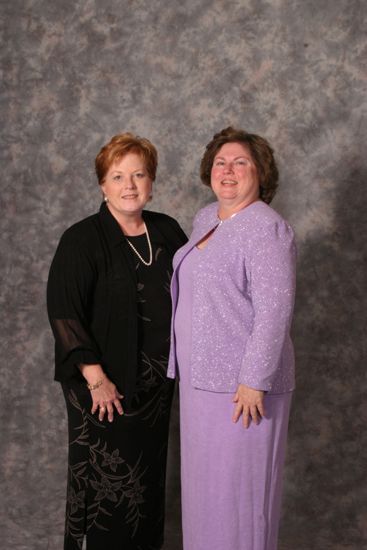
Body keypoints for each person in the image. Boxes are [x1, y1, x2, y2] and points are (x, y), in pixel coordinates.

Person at [47, 133, 187, 550]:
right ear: (102, 185)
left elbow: (200, 290)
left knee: (146, 486)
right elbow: (64, 311)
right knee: (107, 490)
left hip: (155, 390)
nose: (129, 185)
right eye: (118, 175)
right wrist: (95, 378)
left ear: (152, 181)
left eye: (139, 174)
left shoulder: (168, 230)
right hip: (103, 388)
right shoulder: (82, 239)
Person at [167, 127, 296, 550]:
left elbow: (274, 310)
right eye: (221, 162)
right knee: (205, 499)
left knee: (239, 501)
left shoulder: (267, 227)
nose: (229, 170)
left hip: (242, 390)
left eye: (241, 162)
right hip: (200, 384)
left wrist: (254, 380)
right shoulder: (206, 218)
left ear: (260, 173)